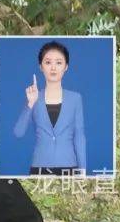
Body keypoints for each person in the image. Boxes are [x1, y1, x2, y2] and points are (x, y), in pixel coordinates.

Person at [13, 40, 87, 175]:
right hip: (39, 167)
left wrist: (82, 171)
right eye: (48, 62)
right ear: (41, 66)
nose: (53, 68)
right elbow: (18, 133)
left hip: (68, 166)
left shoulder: (75, 98)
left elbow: (79, 136)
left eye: (59, 62)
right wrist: (30, 103)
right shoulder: (34, 97)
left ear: (66, 67)